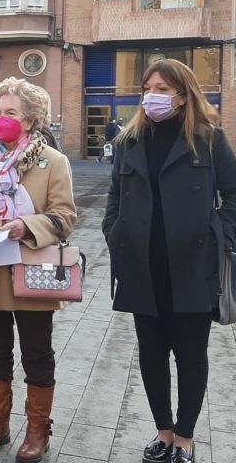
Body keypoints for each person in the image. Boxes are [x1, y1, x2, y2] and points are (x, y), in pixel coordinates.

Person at [102, 59, 236, 463]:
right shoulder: (129, 140)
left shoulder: (209, 139)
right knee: (151, 354)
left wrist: (219, 237)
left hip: (194, 267)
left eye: (161, 88)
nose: (152, 95)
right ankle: (163, 433)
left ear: (182, 94)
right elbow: (113, 195)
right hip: (143, 266)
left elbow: (232, 195)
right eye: (148, 87)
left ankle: (185, 438)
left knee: (191, 355)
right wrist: (115, 231)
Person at [0, 76, 76, 463]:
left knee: (37, 353)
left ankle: (38, 429)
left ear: (31, 118)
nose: (1, 119)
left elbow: (65, 217)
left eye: (11, 112)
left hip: (32, 272)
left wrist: (29, 226)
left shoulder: (52, 161)